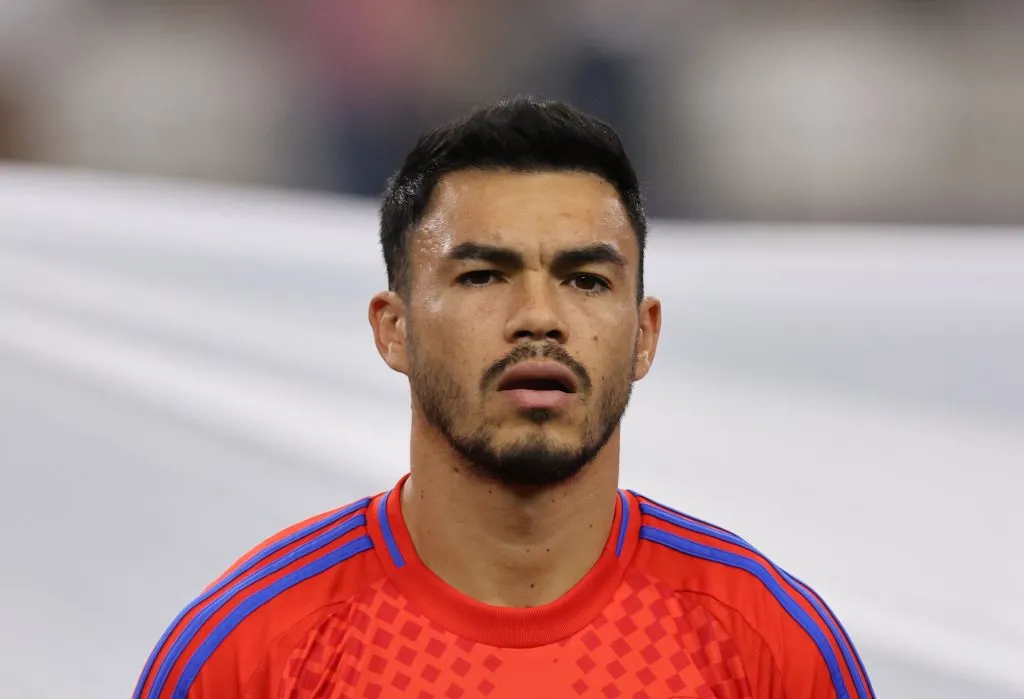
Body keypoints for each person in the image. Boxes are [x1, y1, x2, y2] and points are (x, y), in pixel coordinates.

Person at [133, 97, 875, 699]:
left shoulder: (768, 646)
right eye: (484, 275)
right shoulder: (249, 651)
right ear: (394, 330)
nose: (539, 316)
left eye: (586, 280)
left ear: (644, 335)